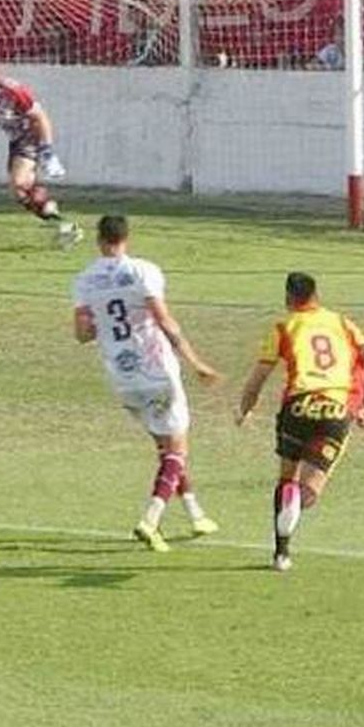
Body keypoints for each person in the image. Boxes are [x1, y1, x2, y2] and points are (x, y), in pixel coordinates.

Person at [73, 214, 221, 552]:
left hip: (121, 377)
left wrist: (107, 324)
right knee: (178, 449)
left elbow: (81, 334)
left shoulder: (84, 280)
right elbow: (165, 322)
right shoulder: (143, 271)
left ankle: (196, 514)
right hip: (156, 370)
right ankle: (150, 520)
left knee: (166, 447)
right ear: (127, 238)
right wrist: (195, 362)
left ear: (99, 240)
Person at [234, 272, 364, 572]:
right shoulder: (342, 323)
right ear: (316, 295)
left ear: (289, 297)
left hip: (297, 407)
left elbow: (257, 381)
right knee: (310, 489)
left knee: (286, 478)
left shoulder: (283, 327)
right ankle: (296, 504)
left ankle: (281, 554)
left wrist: (245, 409)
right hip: (335, 409)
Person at [0, 55, 81, 247]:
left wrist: (47, 150)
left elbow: (41, 118)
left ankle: (65, 226)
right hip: (15, 141)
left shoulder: (12, 91)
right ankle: (64, 224)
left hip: (31, 135)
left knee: (19, 181)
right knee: (20, 192)